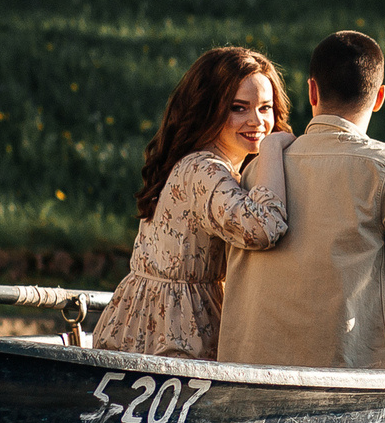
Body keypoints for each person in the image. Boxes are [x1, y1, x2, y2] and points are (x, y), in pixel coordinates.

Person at [217, 29, 385, 369]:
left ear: (311, 89)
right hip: (341, 377)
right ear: (379, 98)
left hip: (249, 371)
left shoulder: (260, 169)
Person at [91, 46, 295, 361]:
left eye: (265, 107)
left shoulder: (206, 162)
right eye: (238, 108)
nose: (257, 120)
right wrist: (273, 147)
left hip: (156, 318)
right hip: (178, 331)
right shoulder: (203, 169)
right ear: (207, 109)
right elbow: (261, 228)